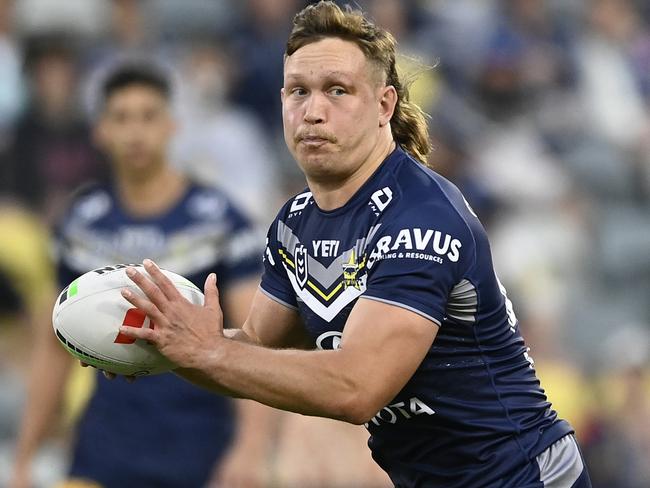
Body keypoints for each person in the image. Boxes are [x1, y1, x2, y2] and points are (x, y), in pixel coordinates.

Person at [107, 2, 593, 487]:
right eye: (299, 91)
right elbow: (255, 349)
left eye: (336, 91)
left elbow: (357, 387)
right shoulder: (293, 224)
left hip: (521, 475)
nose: (313, 111)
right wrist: (162, 347)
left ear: (385, 105)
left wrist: (207, 352)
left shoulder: (422, 220)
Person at [11, 63, 274, 488]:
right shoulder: (81, 224)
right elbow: (52, 346)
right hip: (103, 452)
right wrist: (24, 458)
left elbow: (257, 338)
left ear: (171, 126)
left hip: (202, 452)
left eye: (148, 116)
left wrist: (251, 448)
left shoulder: (220, 221)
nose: (136, 132)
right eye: (122, 117)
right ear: (100, 130)